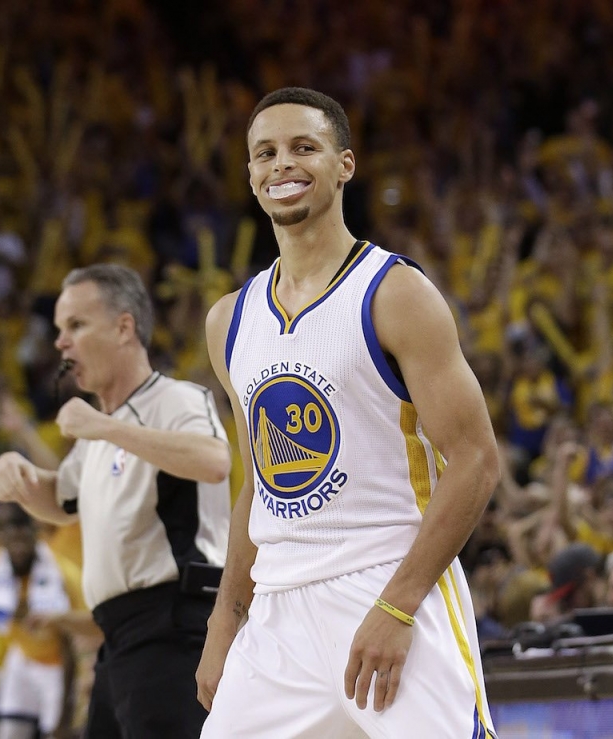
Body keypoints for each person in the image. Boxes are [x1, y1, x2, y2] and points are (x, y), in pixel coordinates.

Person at [196, 87, 500, 738]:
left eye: (304, 147)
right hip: (277, 609)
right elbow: (260, 481)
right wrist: (226, 616)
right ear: (250, 175)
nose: (283, 164)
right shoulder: (229, 320)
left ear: (344, 165)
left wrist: (399, 602)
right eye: (265, 153)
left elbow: (475, 459)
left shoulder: (396, 292)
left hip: (386, 580)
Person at [0, 264, 232, 739]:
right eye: (59, 329)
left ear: (124, 328)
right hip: (117, 636)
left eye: (76, 325)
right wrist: (18, 477)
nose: (60, 342)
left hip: (174, 625)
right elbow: (62, 500)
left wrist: (105, 427)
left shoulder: (176, 400)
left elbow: (214, 460)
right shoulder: (101, 432)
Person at [0, 502, 88, 739]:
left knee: (60, 733)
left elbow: (73, 647)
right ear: (2, 540)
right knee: (9, 732)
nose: (18, 550)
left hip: (61, 664)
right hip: (22, 656)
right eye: (12, 543)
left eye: (24, 542)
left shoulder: (63, 574)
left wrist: (64, 715)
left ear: (36, 538)